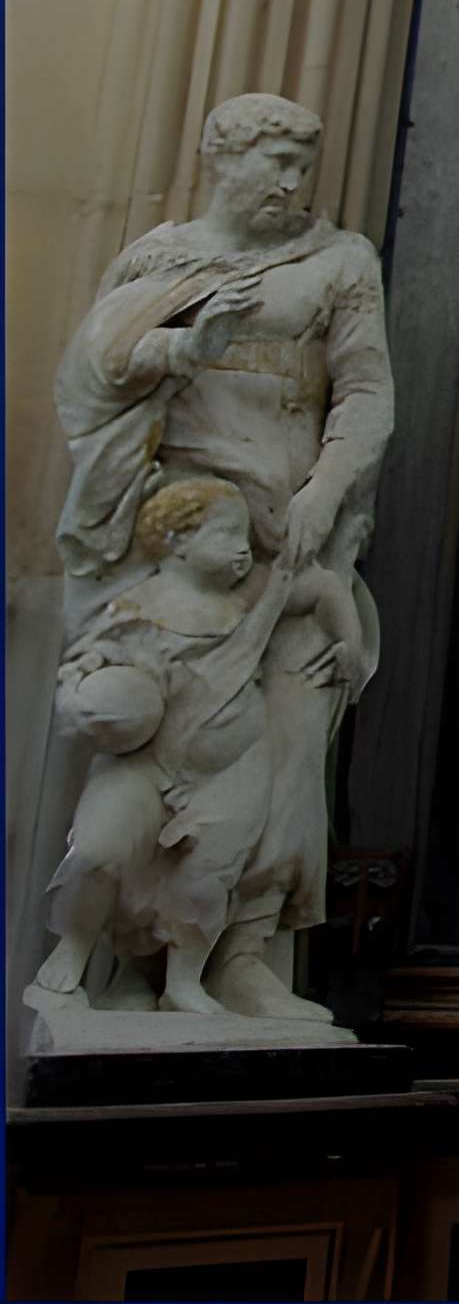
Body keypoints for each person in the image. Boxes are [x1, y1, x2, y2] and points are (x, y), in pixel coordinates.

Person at [49, 91, 391, 1023]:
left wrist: (325, 491)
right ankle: (112, 959)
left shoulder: (338, 263)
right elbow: (93, 372)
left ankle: (243, 954)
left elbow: (363, 393)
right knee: (150, 742)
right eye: (273, 161)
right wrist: (180, 342)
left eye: (301, 166)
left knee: (283, 753)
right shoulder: (163, 259)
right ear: (222, 162)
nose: (290, 183)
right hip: (182, 533)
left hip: (292, 537)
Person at [32, 482, 362, 1017]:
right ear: (176, 540)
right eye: (228, 535)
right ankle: (73, 947)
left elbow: (320, 588)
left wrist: (347, 641)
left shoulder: (254, 592)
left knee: (208, 879)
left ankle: (184, 982)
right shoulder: (136, 604)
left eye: (245, 538)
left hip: (232, 767)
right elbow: (92, 663)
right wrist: (84, 686)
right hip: (146, 763)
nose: (242, 548)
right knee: (99, 848)